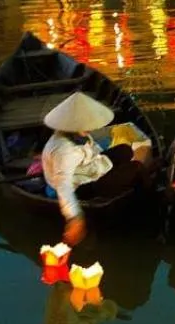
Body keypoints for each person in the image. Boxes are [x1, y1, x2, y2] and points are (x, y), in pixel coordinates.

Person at [40, 92, 148, 245]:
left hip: (88, 169)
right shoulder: (65, 150)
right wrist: (75, 217)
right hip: (81, 186)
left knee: (125, 150)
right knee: (137, 168)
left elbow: (94, 151)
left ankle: (123, 180)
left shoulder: (77, 135)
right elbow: (63, 187)